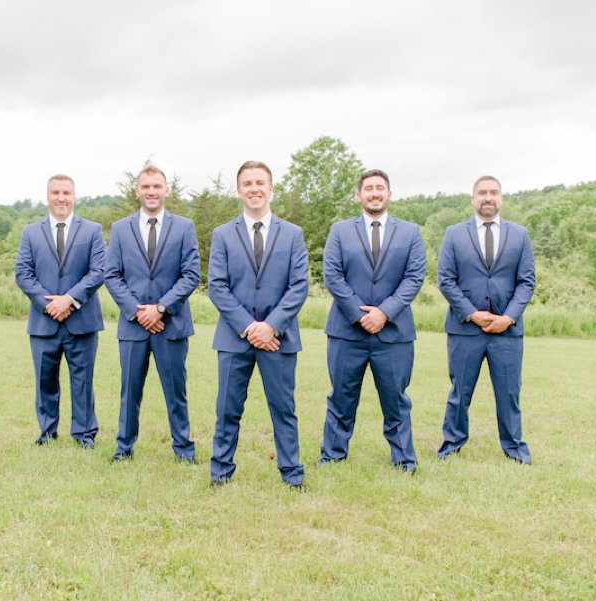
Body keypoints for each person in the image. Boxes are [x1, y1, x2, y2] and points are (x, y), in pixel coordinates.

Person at [208, 161, 308, 488]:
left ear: (271, 188)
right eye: (248, 183)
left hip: (278, 339)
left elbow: (299, 286)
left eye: (260, 182)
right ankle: (220, 473)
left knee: (283, 410)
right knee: (227, 409)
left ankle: (292, 475)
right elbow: (217, 286)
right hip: (234, 338)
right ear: (238, 190)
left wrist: (271, 326)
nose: (254, 188)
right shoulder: (223, 234)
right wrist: (250, 327)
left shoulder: (292, 234)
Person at [318, 169, 427, 473]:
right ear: (359, 195)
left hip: (393, 332)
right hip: (346, 331)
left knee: (396, 399)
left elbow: (414, 277)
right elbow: (333, 275)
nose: (374, 193)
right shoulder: (340, 231)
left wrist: (384, 313)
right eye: (369, 188)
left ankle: (404, 459)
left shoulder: (410, 232)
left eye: (380, 188)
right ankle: (333, 457)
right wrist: (359, 313)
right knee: (341, 396)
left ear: (389, 194)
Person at [104, 165, 201, 463]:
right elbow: (111, 275)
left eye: (157, 186)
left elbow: (190, 275)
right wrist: (136, 311)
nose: (151, 191)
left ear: (166, 190)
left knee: (176, 391)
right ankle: (124, 447)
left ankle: (183, 449)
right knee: (129, 390)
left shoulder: (184, 227)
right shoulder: (121, 229)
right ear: (137, 191)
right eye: (146, 186)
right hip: (133, 326)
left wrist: (160, 309)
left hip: (170, 324)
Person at [437, 175, 535, 464]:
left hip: (506, 332)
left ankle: (515, 450)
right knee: (459, 392)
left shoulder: (520, 235)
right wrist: (471, 313)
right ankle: (451, 446)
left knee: (509, 393)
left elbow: (527, 282)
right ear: (473, 198)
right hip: (465, 328)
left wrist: (509, 318)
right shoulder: (454, 234)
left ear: (501, 198)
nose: (487, 197)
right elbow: (445, 280)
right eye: (482, 193)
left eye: (493, 192)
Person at [15, 174, 106, 448]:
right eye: (56, 192)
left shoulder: (92, 230)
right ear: (47, 196)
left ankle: (84, 434)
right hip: (44, 323)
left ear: (74, 196)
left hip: (82, 320)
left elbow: (99, 271)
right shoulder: (30, 233)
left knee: (83, 382)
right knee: (45, 381)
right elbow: (23, 273)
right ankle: (47, 432)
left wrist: (69, 299)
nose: (61, 198)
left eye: (66, 192)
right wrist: (49, 304)